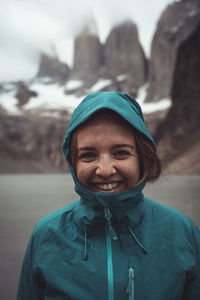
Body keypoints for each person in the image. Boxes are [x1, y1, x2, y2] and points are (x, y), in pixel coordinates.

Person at [17, 92, 200, 300]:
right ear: (73, 163)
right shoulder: (45, 236)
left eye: (121, 153)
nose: (105, 170)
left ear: (141, 158)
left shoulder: (182, 233)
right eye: (88, 155)